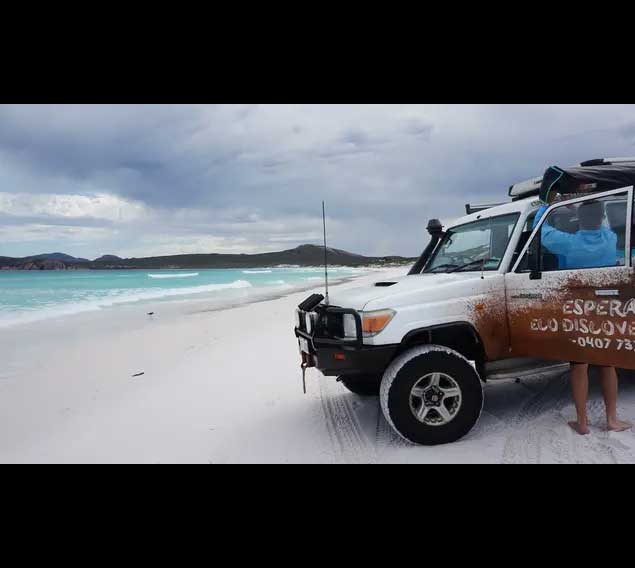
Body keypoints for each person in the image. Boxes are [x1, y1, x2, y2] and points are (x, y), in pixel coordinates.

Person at [534, 199, 632, 435]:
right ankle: (611, 419)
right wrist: (583, 212)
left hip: (578, 309)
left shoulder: (569, 243)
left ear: (581, 220)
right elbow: (600, 222)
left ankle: (583, 423)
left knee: (579, 367)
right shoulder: (610, 239)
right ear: (601, 218)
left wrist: (545, 206)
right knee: (608, 364)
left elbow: (542, 230)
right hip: (606, 308)